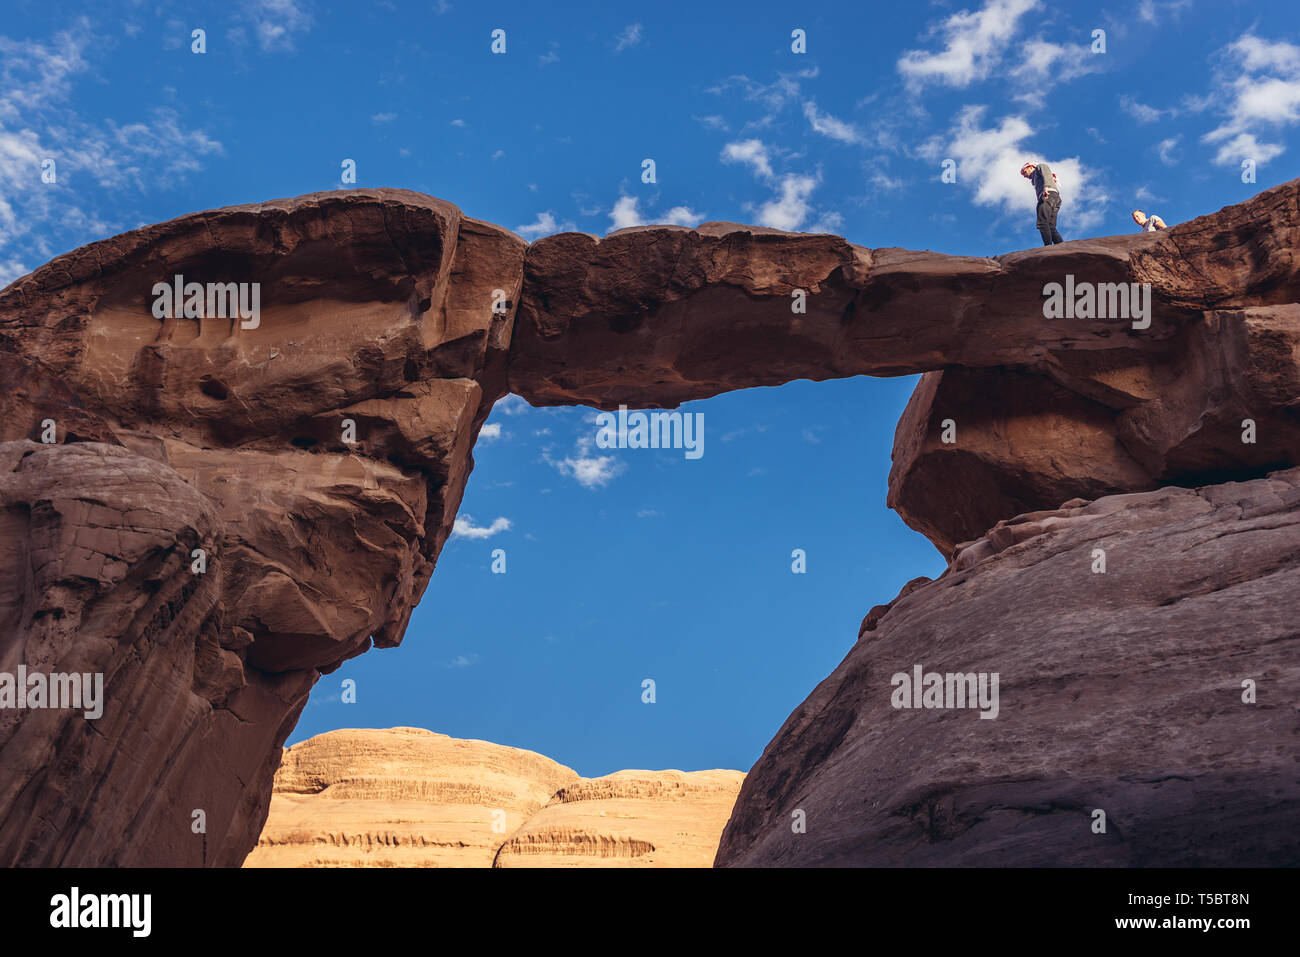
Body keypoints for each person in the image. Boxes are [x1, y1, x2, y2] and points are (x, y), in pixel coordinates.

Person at [1020, 160, 1063, 245]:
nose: (1025, 176)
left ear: (1030, 167)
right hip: (1055, 197)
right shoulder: (1035, 179)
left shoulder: (1039, 167)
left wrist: (1046, 188)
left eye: (1024, 172)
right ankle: (1062, 247)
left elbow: (1046, 173)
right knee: (1051, 226)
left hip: (1047, 195)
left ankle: (1048, 247)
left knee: (1042, 222)